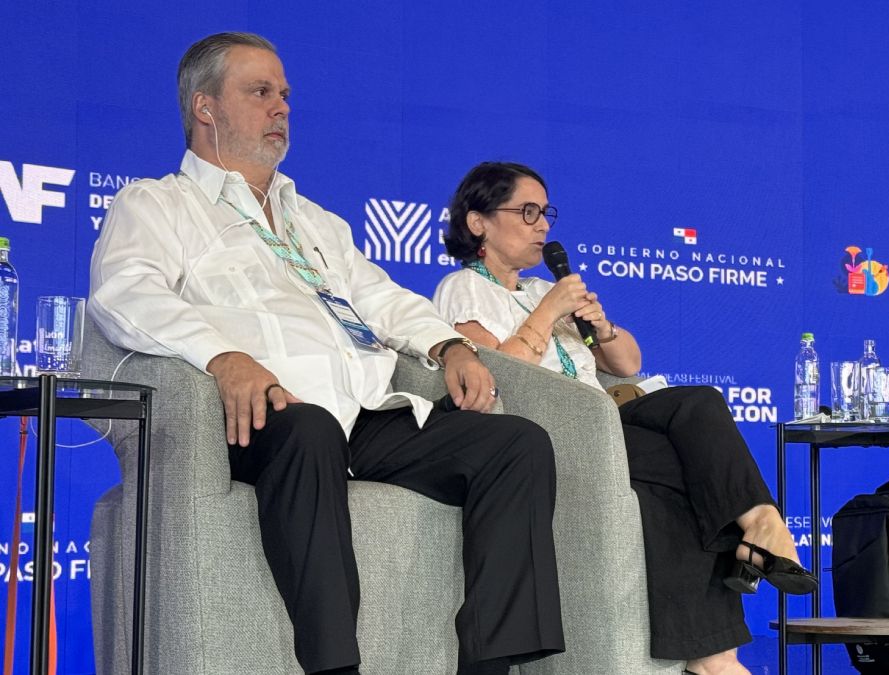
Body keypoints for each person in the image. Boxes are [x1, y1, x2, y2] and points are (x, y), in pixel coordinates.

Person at [88, 33, 564, 675]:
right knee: (309, 429)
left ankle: (490, 667)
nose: (281, 107)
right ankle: (335, 668)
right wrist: (223, 357)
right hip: (263, 413)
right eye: (261, 92)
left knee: (515, 445)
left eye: (285, 95)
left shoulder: (313, 220)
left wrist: (448, 344)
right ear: (205, 107)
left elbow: (382, 298)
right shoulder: (159, 204)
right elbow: (125, 294)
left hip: (361, 410)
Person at [431, 161, 815, 675]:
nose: (542, 225)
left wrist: (600, 326)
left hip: (605, 417)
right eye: (527, 212)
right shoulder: (461, 289)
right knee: (683, 469)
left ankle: (757, 534)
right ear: (478, 222)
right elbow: (498, 377)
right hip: (544, 430)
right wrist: (548, 313)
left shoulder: (541, 288)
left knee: (698, 404)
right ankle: (720, 646)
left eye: (545, 213)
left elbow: (628, 364)